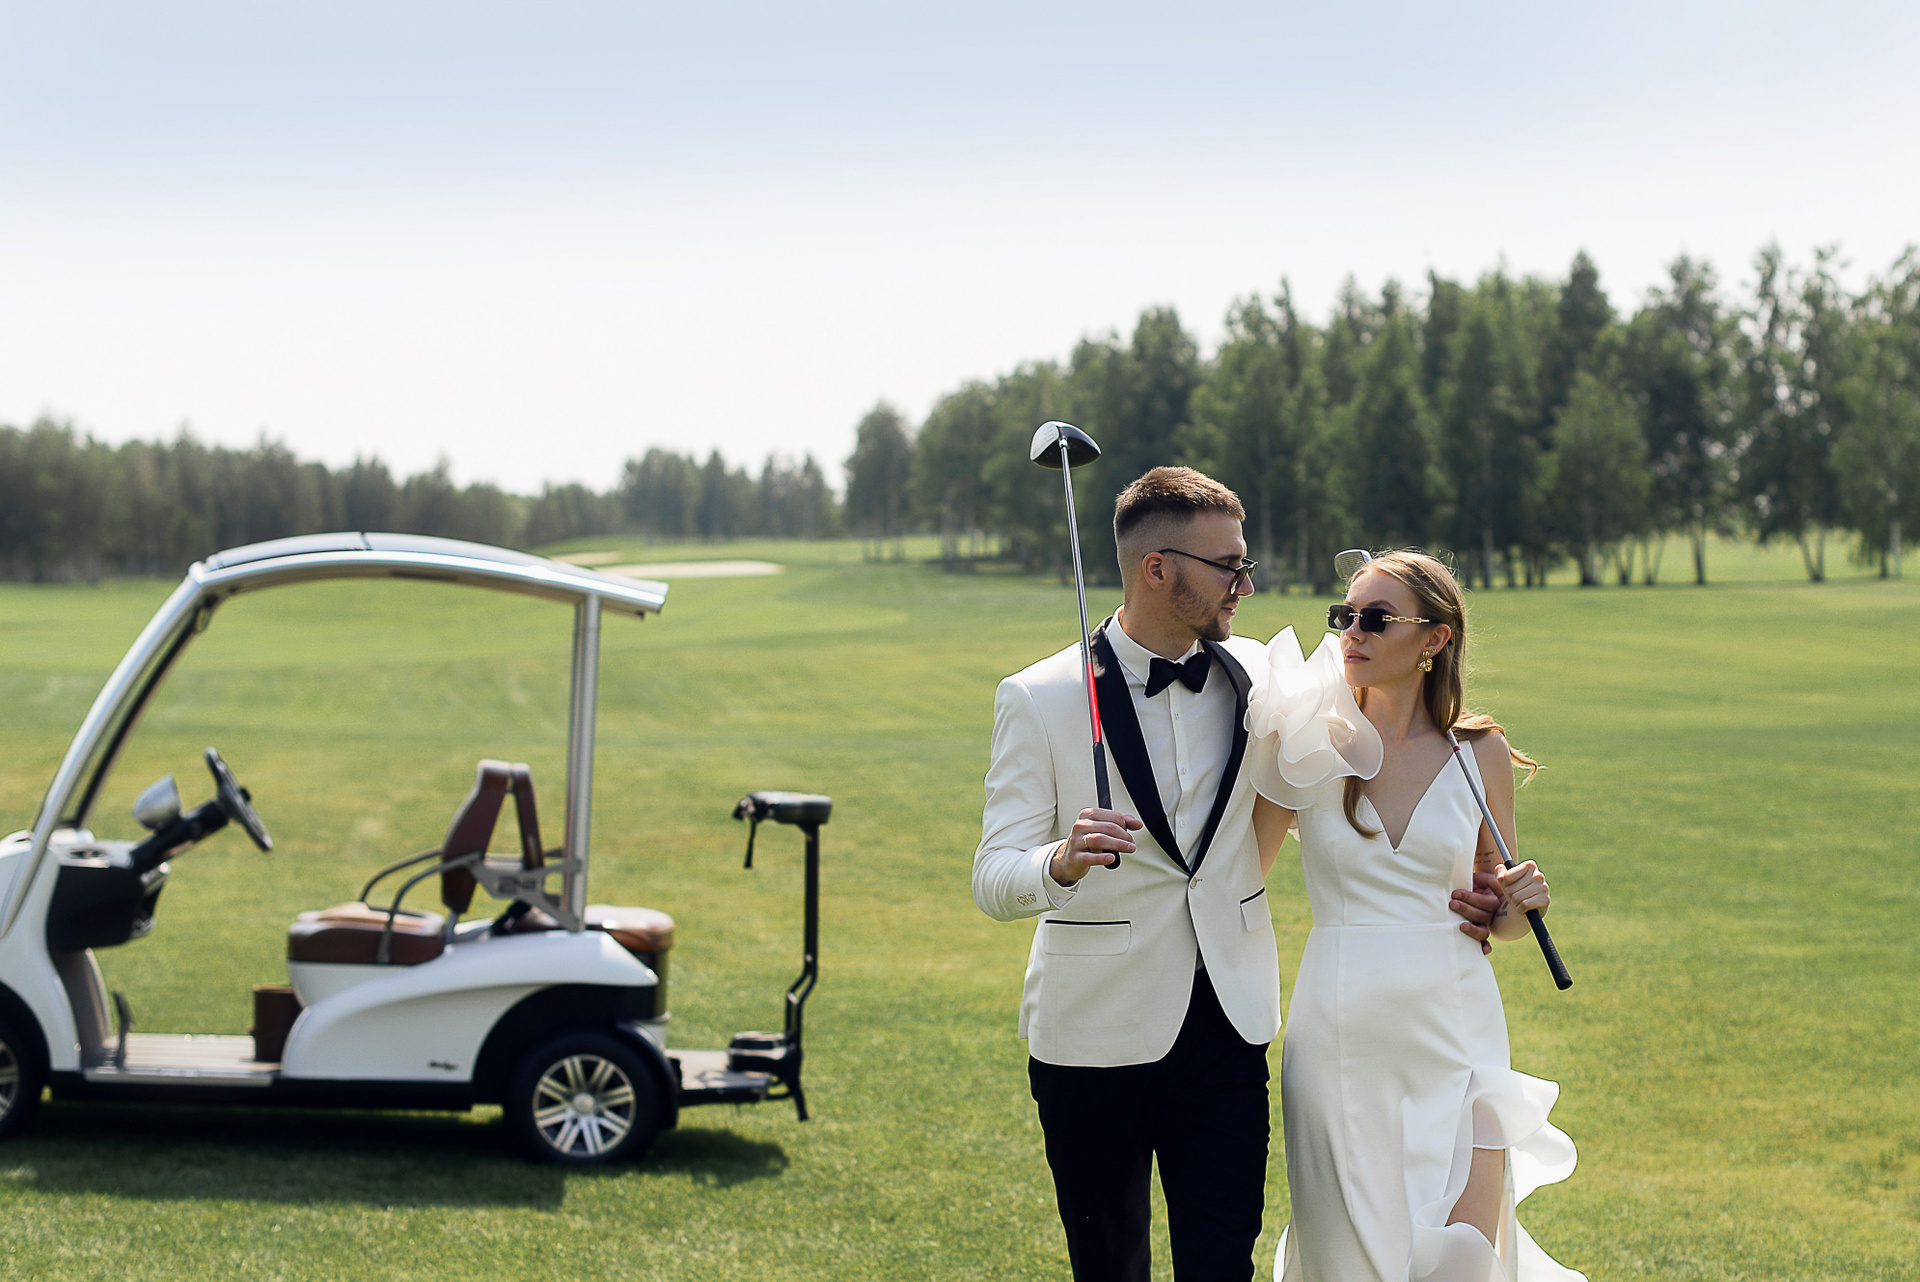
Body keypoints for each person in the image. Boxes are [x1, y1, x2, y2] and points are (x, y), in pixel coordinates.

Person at [973, 470, 1504, 1282]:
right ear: (1158, 568)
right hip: (1092, 1031)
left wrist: (1483, 899)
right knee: (1108, 1267)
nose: (1246, 585)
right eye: (1228, 566)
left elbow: (1391, 727)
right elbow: (992, 873)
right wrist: (1059, 860)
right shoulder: (1039, 696)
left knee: (1223, 1268)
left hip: (1227, 1030)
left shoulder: (1265, 678)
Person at [1246, 549, 1583, 1281]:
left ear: (1435, 638)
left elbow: (1498, 915)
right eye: (1344, 616)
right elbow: (1239, 877)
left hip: (1456, 1027)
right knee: (1347, 1257)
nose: (1352, 632)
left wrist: (1520, 902)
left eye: (1375, 618)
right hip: (1338, 1034)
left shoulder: (1479, 752)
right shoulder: (1305, 743)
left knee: (1461, 1254)